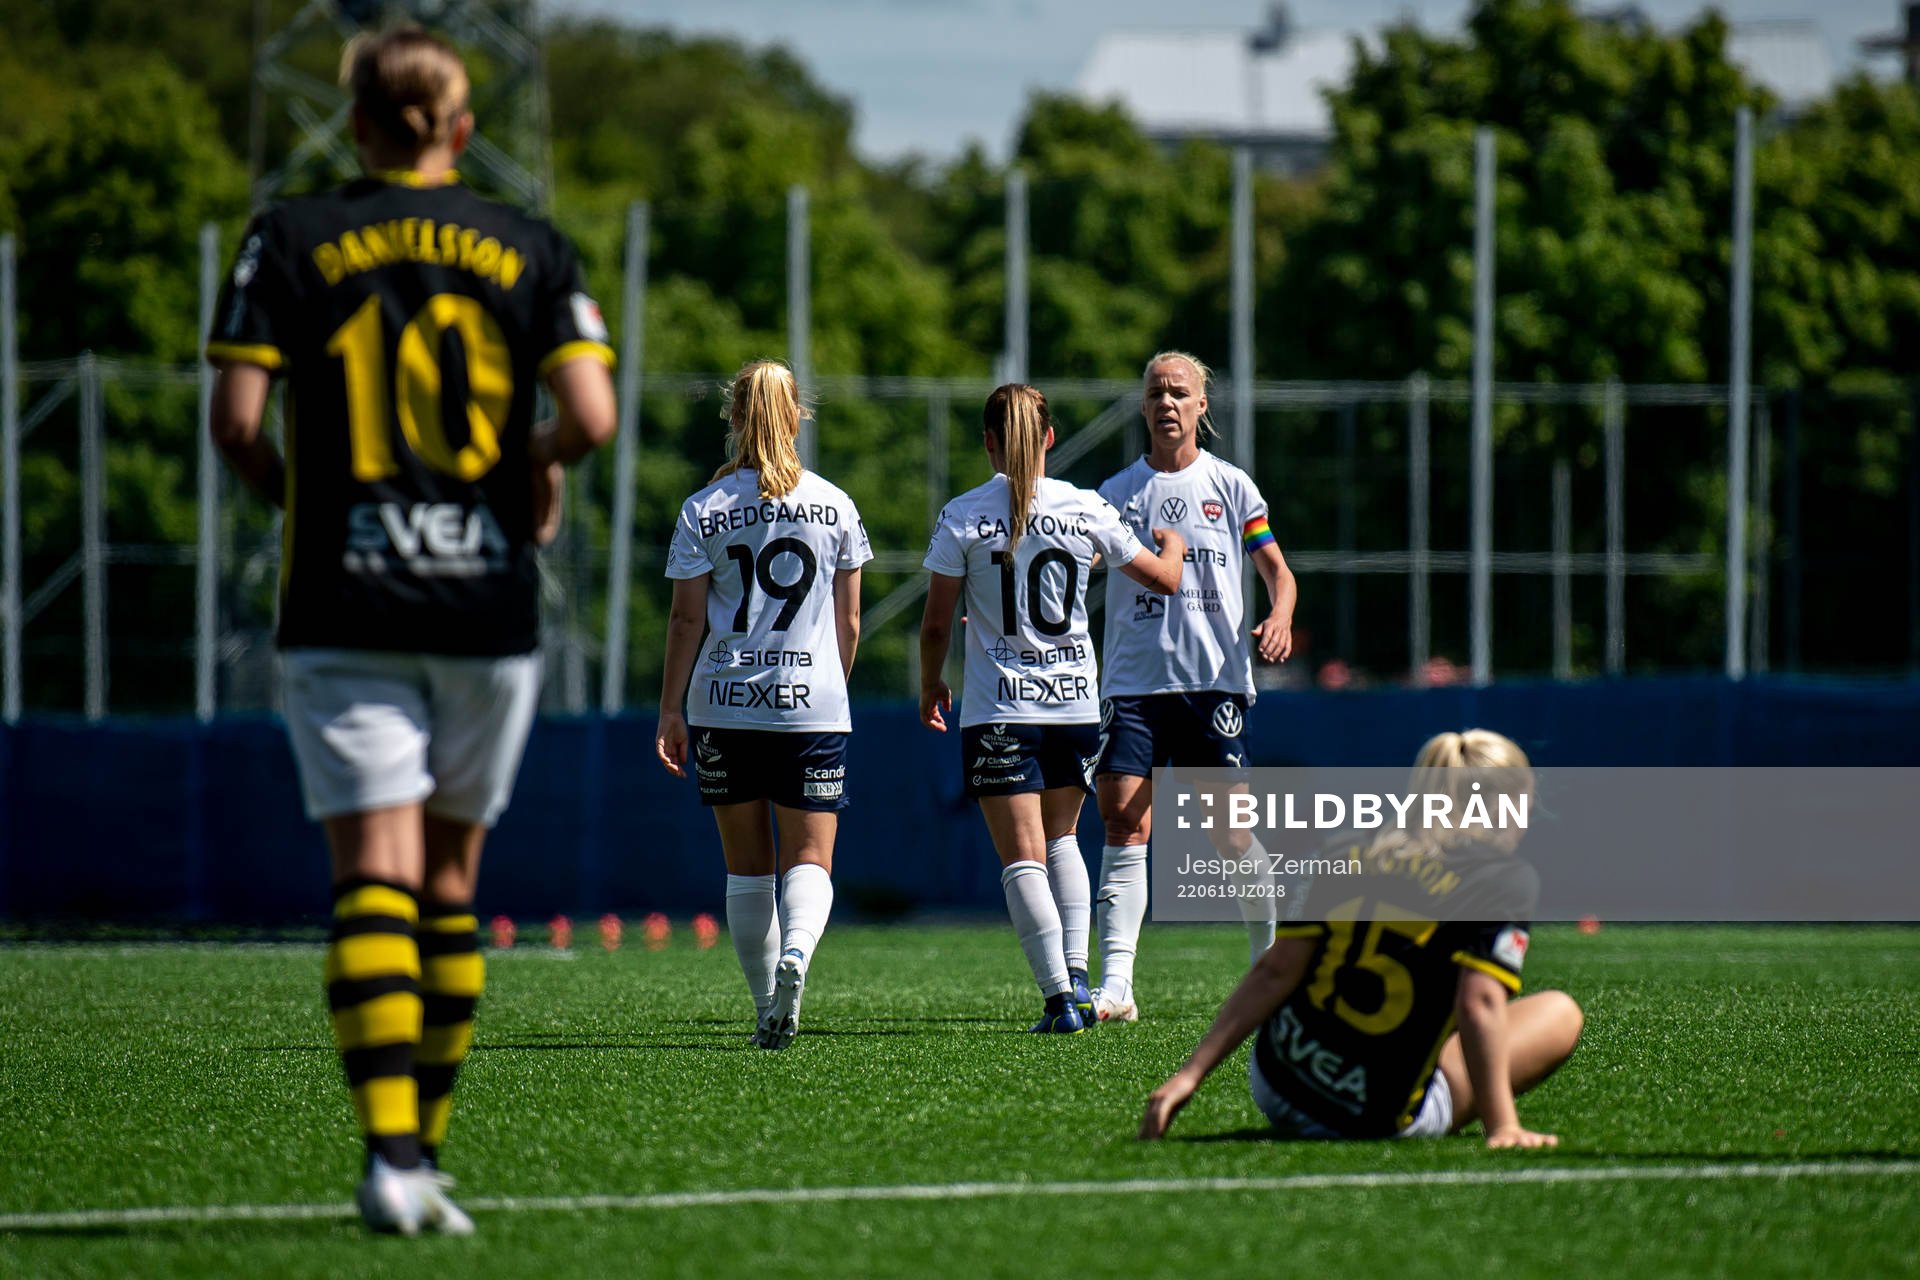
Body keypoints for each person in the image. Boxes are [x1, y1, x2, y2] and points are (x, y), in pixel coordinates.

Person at [205, 26, 617, 1235]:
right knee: (449, 880)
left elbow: (236, 423)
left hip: (344, 595)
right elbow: (587, 414)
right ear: (461, 125)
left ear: (358, 120)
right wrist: (532, 464)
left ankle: (389, 1153)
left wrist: (312, 506)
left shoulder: (290, 234)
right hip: (485, 598)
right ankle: (421, 1155)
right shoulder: (529, 242)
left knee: (369, 875)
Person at [1138, 730, 1583, 1146]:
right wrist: (1503, 1125)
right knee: (1559, 1012)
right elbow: (1478, 1004)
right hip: (1370, 1114)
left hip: (1278, 1081)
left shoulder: (1345, 846)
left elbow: (1276, 968)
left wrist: (1189, 1076)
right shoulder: (1501, 879)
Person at [919, 384, 1186, 1031]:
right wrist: (1173, 544)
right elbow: (1164, 578)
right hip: (1073, 704)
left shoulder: (964, 514)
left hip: (1001, 708)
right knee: (1063, 837)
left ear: (988, 443)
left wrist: (931, 682)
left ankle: (1060, 998)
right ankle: (1078, 980)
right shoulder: (1083, 506)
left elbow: (935, 624)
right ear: (1049, 438)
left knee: (1023, 856)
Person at [656, 360, 870, 1051]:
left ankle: (764, 1012)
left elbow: (687, 622)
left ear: (736, 417)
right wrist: (828, 686)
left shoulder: (705, 508)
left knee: (747, 867)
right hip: (812, 707)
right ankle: (798, 955)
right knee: (810, 859)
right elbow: (851, 623)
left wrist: (671, 709)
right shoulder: (835, 504)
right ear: (798, 415)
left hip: (724, 704)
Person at [1090, 351, 1299, 1024]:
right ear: (1144, 407)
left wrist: (1281, 614)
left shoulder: (1232, 486)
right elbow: (1074, 564)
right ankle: (1116, 986)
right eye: (1156, 393)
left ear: (1202, 407)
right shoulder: (1115, 493)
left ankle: (1269, 963)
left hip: (1215, 686)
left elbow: (1278, 571)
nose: (1168, 403)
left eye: (1180, 392)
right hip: (1135, 684)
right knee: (1123, 819)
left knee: (1231, 837)